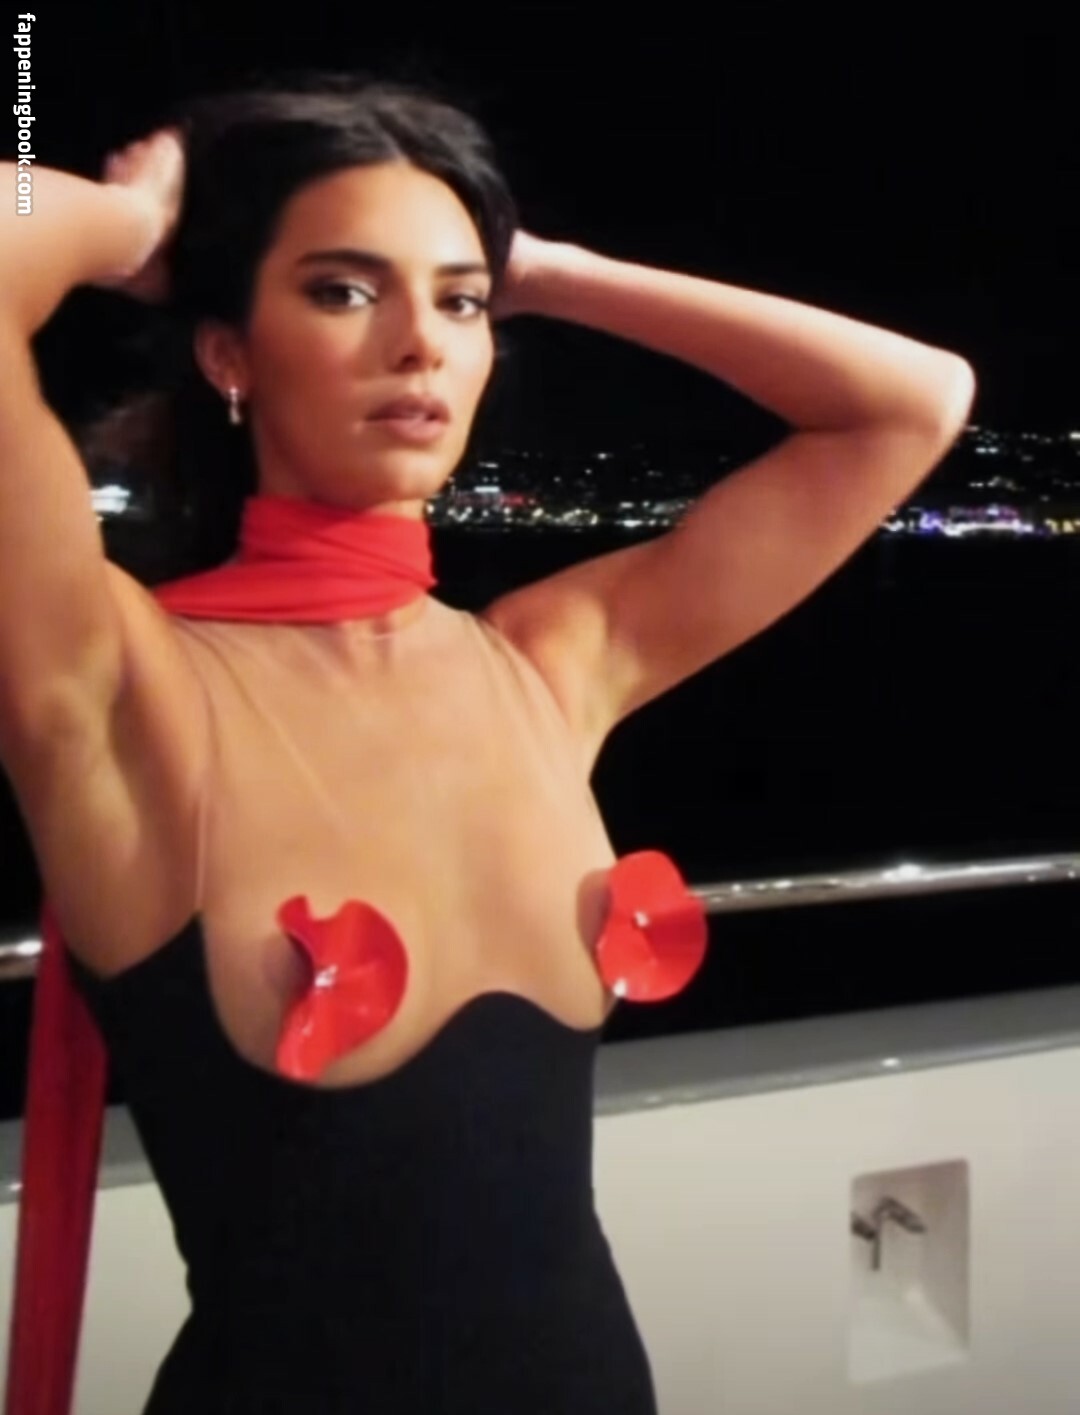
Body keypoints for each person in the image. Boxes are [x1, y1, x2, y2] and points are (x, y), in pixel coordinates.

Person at [0, 73, 975, 1414]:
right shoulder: (122, 691)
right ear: (228, 353)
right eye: (344, 290)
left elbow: (913, 403)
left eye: (458, 304)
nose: (421, 343)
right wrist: (127, 225)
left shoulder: (548, 666)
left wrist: (550, 272)